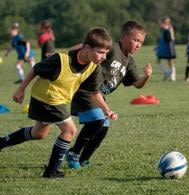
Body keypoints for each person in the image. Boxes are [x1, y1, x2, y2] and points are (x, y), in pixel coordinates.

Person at [0, 27, 117, 178]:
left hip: (58, 100)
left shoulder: (94, 67)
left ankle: (2, 142)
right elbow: (35, 69)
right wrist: (21, 89)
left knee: (38, 133)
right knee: (70, 130)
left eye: (106, 53)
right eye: (101, 52)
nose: (104, 56)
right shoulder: (61, 60)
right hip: (46, 98)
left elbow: (94, 92)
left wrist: (107, 110)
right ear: (86, 47)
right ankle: (52, 171)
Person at [67, 20, 153, 169]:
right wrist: (64, 54)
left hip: (99, 96)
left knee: (103, 127)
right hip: (87, 90)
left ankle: (83, 159)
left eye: (141, 42)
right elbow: (84, 46)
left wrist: (146, 77)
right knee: (97, 121)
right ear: (123, 37)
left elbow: (137, 84)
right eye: (136, 40)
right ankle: (73, 153)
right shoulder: (112, 48)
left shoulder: (130, 62)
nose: (138, 44)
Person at [155, 16, 176, 81]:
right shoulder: (165, 29)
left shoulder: (168, 28)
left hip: (168, 48)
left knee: (170, 62)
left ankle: (172, 76)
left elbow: (171, 39)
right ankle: (169, 74)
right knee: (168, 62)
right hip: (165, 47)